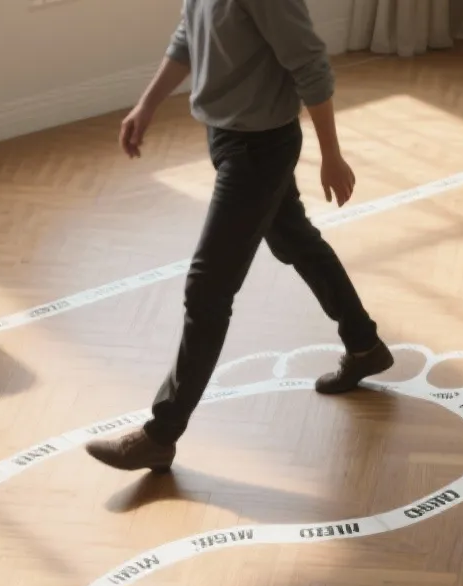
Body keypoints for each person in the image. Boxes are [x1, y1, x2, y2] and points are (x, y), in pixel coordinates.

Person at [85, 0, 395, 473]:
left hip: (260, 149)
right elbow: (188, 36)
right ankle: (364, 346)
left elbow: (310, 63)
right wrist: (146, 106)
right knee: (296, 242)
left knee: (207, 288)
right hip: (228, 136)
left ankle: (161, 434)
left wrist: (331, 154)